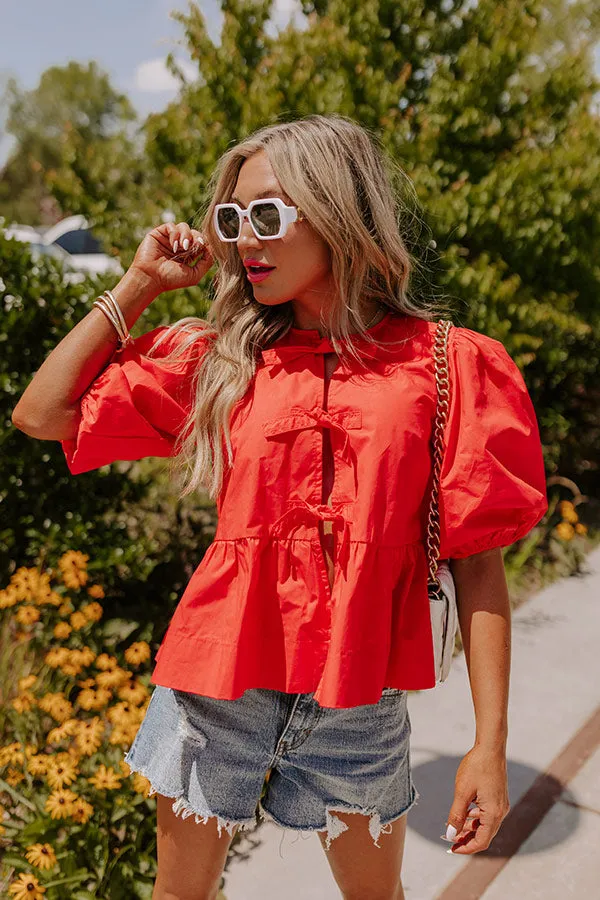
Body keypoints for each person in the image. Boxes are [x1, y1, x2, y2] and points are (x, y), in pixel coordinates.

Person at [12, 113, 548, 900]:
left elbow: (479, 563)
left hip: (359, 700)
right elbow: (42, 413)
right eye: (230, 220)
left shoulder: (449, 366)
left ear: (337, 211)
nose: (241, 241)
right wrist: (140, 284)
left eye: (266, 215)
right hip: (214, 686)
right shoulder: (220, 360)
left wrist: (488, 745)